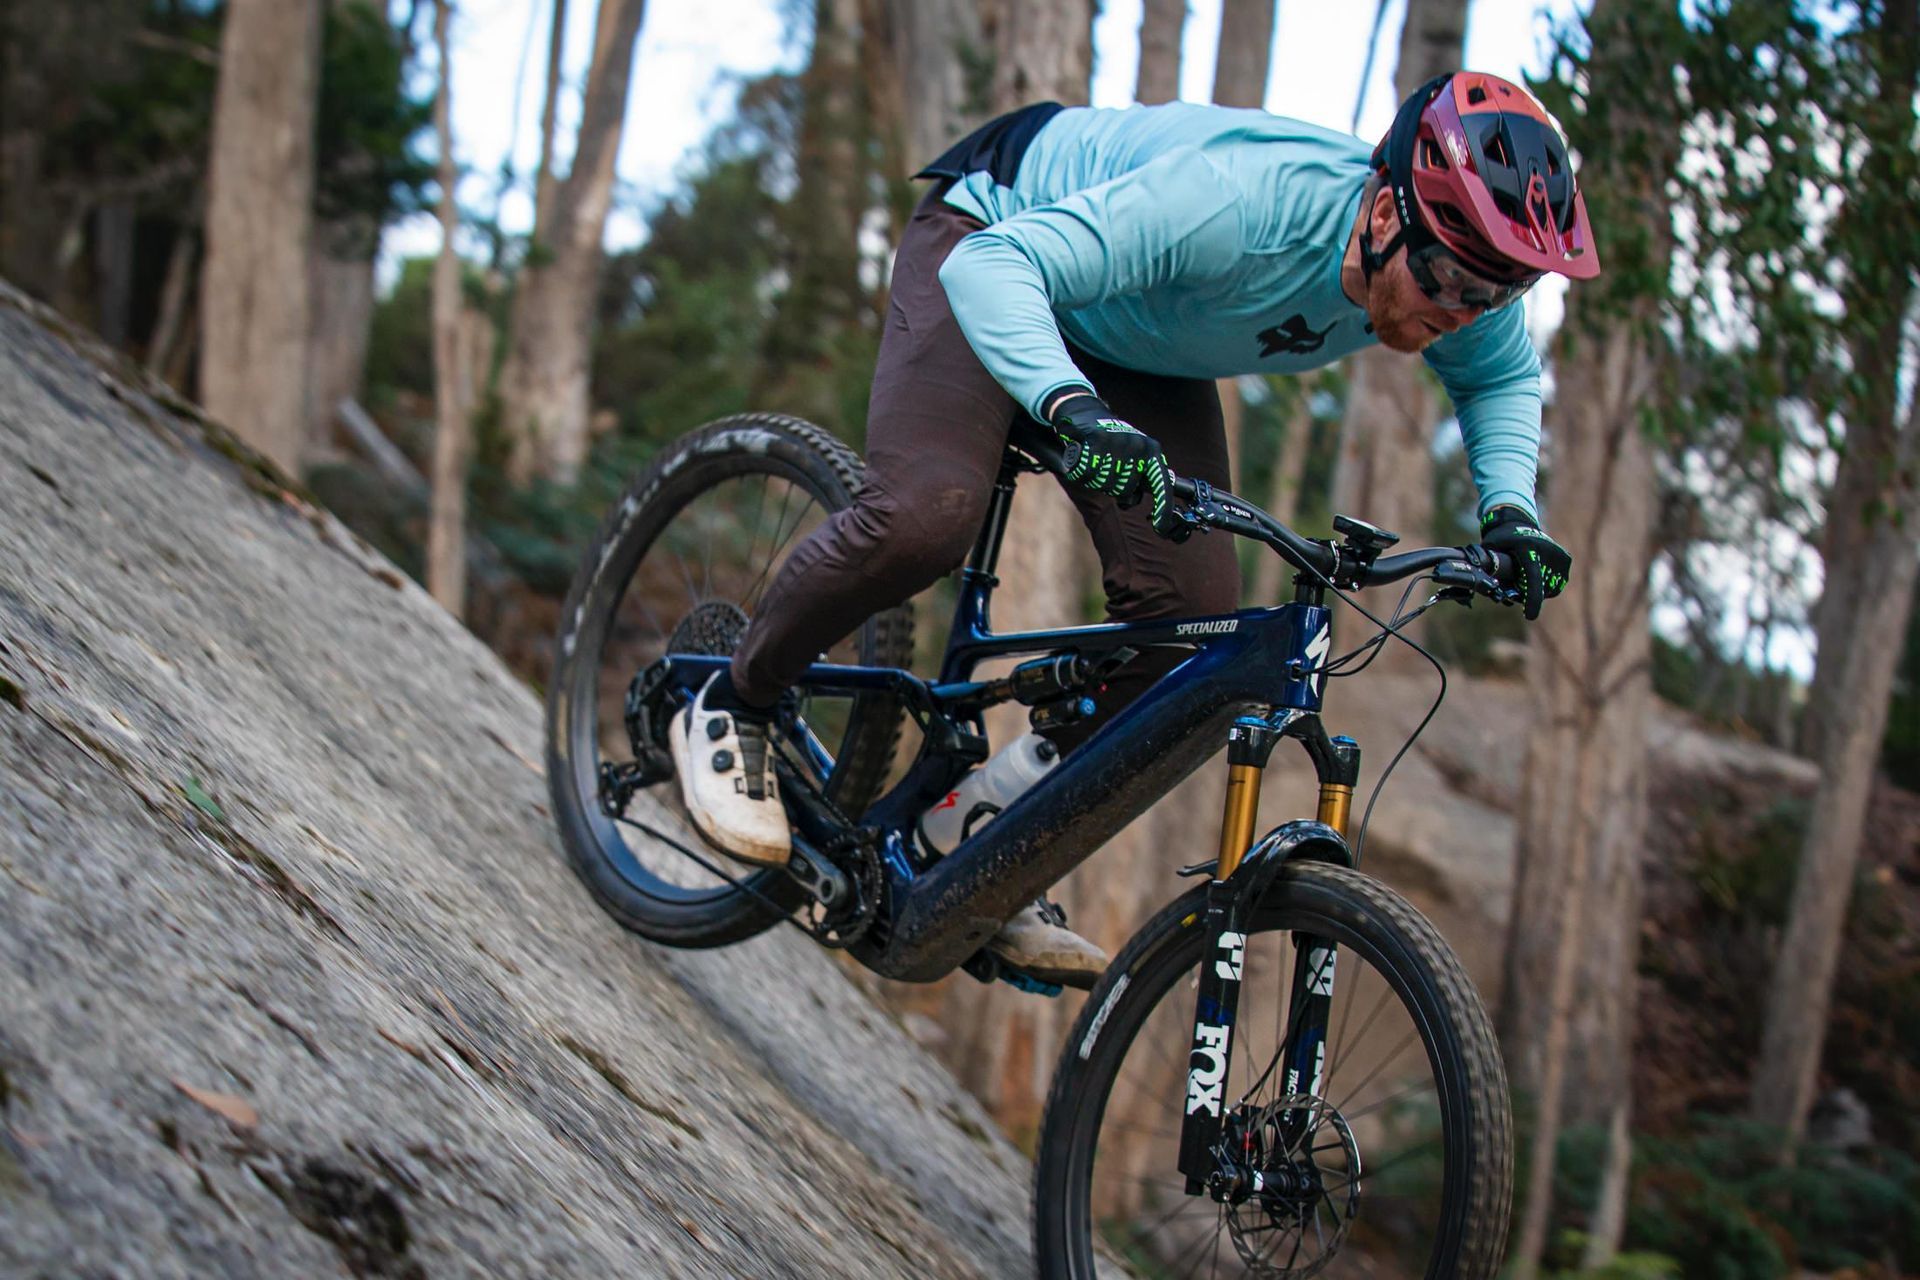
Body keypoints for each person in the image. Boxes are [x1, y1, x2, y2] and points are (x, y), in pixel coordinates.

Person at [670, 71, 1600, 986]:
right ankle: (733, 700)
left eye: (1495, 296)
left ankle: (980, 828)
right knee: (927, 516)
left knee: (1188, 639)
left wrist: (1510, 511)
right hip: (994, 238)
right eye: (1451, 283)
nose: (1461, 315)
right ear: (1389, 212)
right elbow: (994, 268)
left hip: (1132, 333)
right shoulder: (1235, 203)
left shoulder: (1455, 277)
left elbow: (1503, 378)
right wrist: (1068, 404)